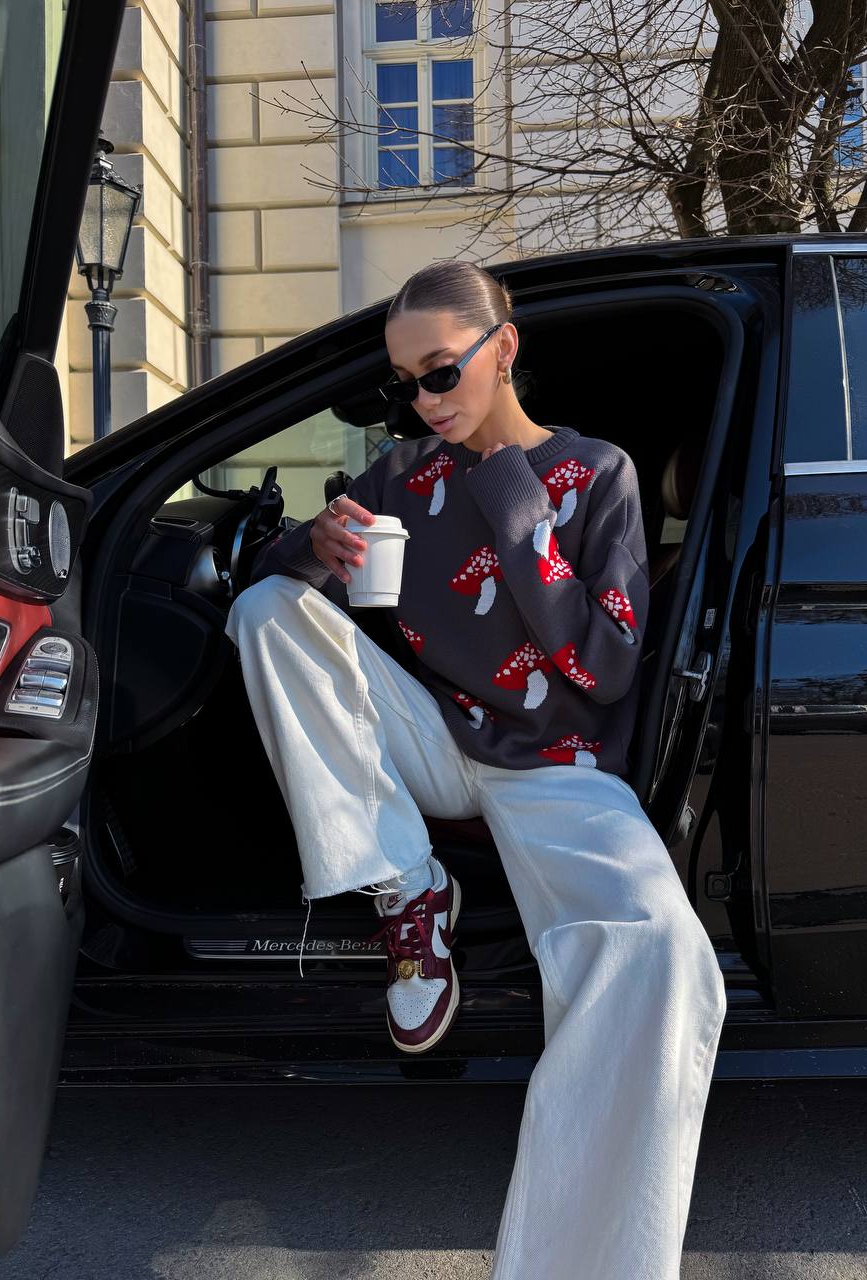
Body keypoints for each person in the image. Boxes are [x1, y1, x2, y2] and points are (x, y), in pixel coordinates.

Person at [223, 259, 727, 1280]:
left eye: (441, 372)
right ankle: (412, 893)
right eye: (403, 383)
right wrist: (307, 545)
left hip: (560, 761)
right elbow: (286, 581)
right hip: (437, 740)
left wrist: (515, 504)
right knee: (264, 613)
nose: (422, 400)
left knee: (663, 957)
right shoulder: (408, 472)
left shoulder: (599, 473)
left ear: (504, 347)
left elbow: (601, 665)